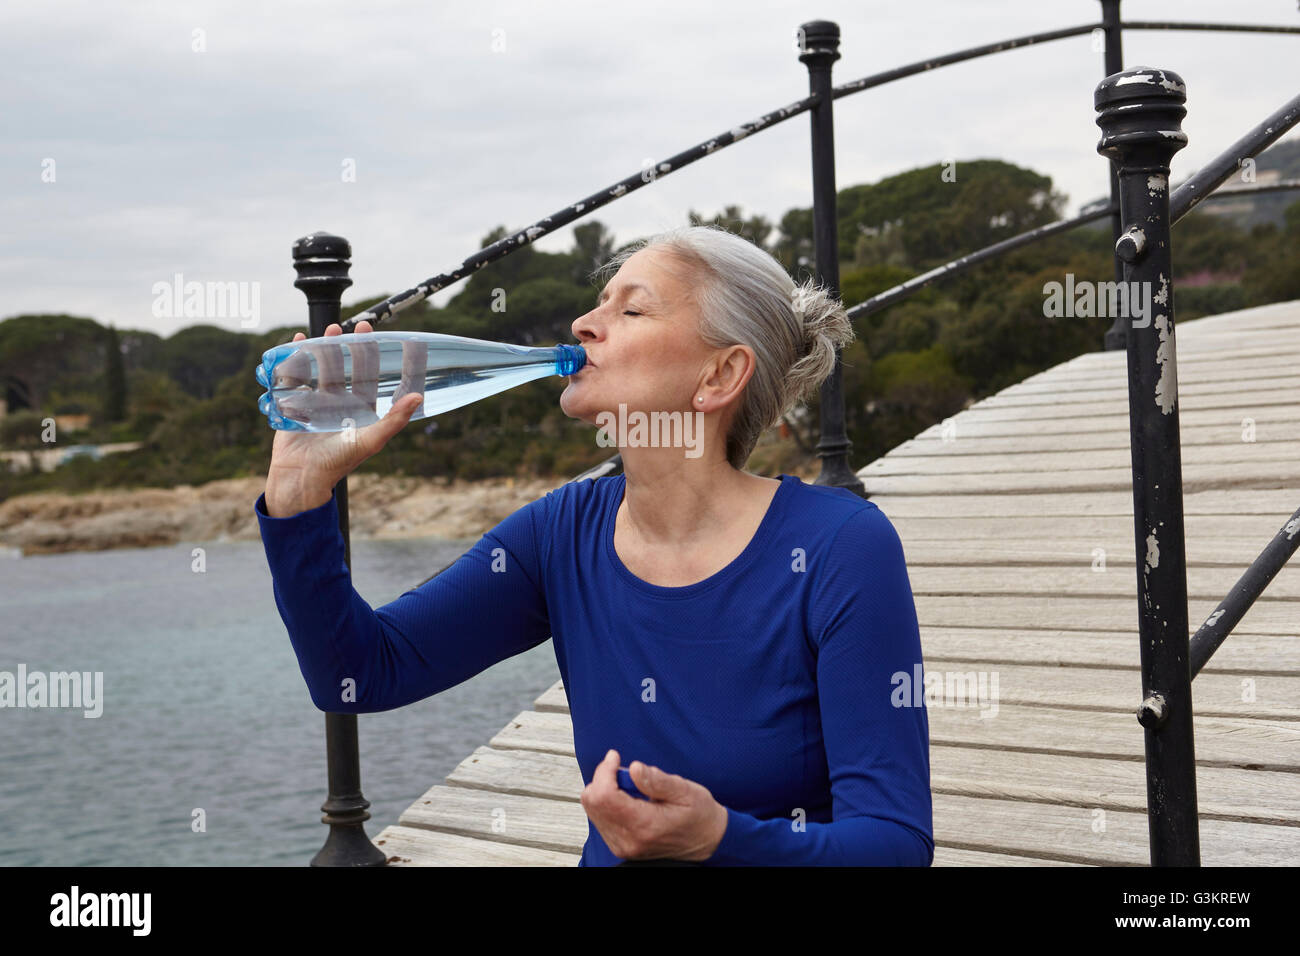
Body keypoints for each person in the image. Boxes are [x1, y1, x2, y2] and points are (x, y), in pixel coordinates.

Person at [255, 223, 934, 867]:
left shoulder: (839, 547)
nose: (583, 324)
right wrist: (298, 496)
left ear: (720, 376)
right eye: (598, 302)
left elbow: (894, 843)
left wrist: (720, 839)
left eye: (632, 311)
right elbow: (360, 672)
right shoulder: (562, 532)